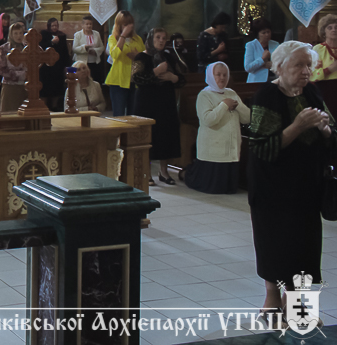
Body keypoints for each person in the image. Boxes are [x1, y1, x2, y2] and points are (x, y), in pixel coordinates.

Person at [247, 41, 334, 313]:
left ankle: (296, 307)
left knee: (306, 247)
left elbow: (331, 132)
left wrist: (324, 129)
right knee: (276, 246)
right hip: (273, 189)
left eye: (309, 65)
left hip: (307, 187)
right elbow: (262, 147)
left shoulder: (312, 91)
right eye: (299, 65)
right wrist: (297, 126)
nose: (306, 71)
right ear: (280, 66)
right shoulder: (267, 95)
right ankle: (272, 302)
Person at [186, 62, 250, 194]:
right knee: (212, 188)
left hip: (231, 146)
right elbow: (208, 120)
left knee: (229, 189)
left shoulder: (231, 93)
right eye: (218, 74)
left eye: (225, 75)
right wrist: (224, 105)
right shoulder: (204, 95)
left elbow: (247, 118)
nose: (222, 78)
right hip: (213, 146)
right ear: (211, 75)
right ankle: (185, 174)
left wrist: (237, 106)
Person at [133, 28, 185, 184]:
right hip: (147, 103)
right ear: (151, 39)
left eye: (163, 38)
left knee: (166, 136)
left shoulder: (168, 57)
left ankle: (164, 172)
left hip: (166, 102)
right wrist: (156, 71)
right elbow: (137, 78)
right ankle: (147, 173)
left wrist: (172, 77)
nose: (161, 40)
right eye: (158, 37)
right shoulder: (141, 57)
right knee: (149, 137)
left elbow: (182, 79)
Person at [105, 10, 145, 116]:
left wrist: (137, 56)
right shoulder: (113, 38)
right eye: (125, 24)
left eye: (130, 23)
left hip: (134, 81)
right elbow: (114, 55)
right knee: (119, 114)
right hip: (118, 81)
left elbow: (144, 57)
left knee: (134, 114)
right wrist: (123, 36)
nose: (128, 27)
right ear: (119, 25)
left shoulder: (137, 39)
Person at [40, 18, 69, 112]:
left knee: (57, 87)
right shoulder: (44, 34)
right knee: (45, 87)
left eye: (56, 25)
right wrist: (51, 42)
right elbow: (41, 46)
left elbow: (64, 51)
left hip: (58, 65)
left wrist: (66, 65)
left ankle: (54, 106)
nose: (54, 27)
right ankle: (44, 106)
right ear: (49, 26)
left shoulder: (62, 36)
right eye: (52, 26)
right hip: (45, 66)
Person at [0, 22, 27, 113]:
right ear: (11, 35)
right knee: (8, 114)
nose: (19, 36)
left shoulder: (27, 48)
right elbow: (1, 69)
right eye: (16, 33)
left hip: (25, 86)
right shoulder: (3, 49)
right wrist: (19, 75)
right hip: (10, 86)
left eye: (20, 33)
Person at [244, 18, 279, 83]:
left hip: (274, 79)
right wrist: (262, 59)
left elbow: (281, 62)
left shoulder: (275, 44)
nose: (267, 35)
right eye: (263, 33)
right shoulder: (251, 45)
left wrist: (272, 65)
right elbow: (248, 67)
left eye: (268, 32)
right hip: (257, 81)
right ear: (258, 34)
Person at [72, 16, 105, 83]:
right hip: (82, 63)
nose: (89, 26)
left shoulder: (97, 34)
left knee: (95, 80)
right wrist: (85, 47)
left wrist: (95, 51)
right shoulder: (78, 35)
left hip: (94, 63)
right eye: (87, 24)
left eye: (90, 24)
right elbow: (74, 49)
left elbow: (102, 47)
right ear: (83, 25)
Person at [312, 13, 337, 82]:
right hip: (324, 86)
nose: (334, 30)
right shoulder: (318, 49)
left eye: (336, 27)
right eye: (330, 28)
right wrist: (330, 69)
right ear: (324, 31)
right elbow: (312, 75)